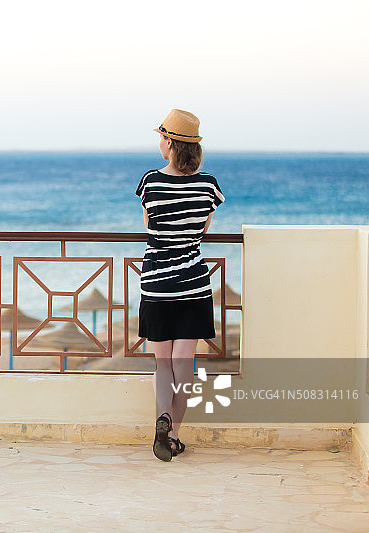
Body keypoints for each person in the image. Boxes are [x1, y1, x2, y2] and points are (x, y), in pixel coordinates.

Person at [135, 109, 224, 462]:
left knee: (163, 364)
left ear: (170, 143)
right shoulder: (208, 186)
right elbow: (202, 230)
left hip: (156, 284)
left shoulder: (150, 182)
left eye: (162, 137)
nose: (160, 142)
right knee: (183, 362)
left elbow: (149, 227)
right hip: (192, 284)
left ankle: (162, 416)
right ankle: (173, 436)